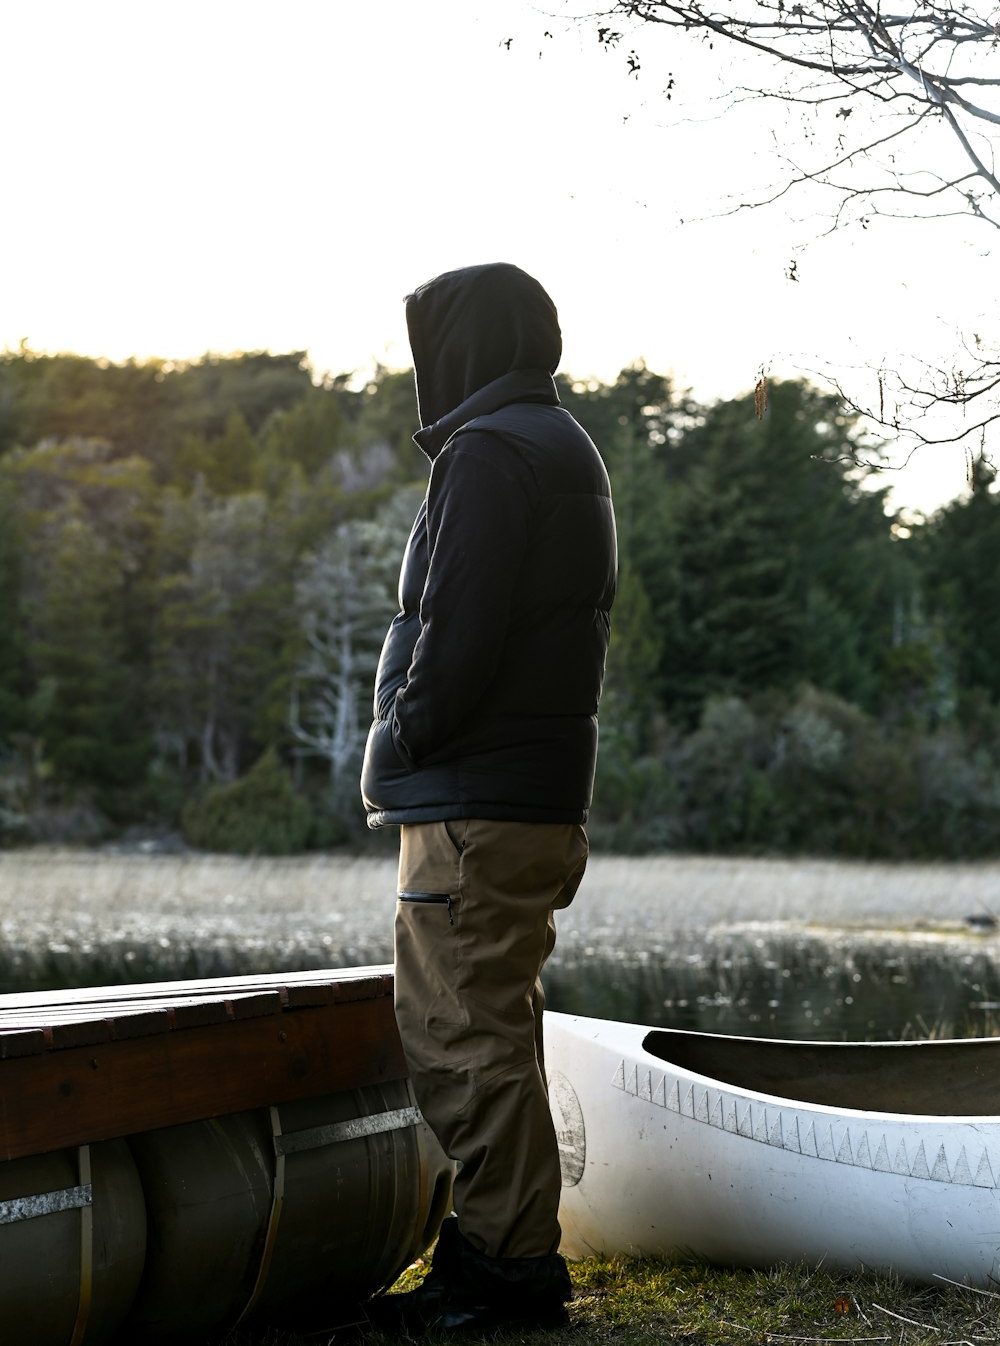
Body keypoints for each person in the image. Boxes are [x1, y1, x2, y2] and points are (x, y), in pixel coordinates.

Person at [360, 261, 617, 1334]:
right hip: (528, 795)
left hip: (476, 801)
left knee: (456, 1030)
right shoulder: (556, 441)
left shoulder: (488, 450)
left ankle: (502, 1273)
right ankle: (502, 1253)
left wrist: (407, 730)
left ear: (460, 345)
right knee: (493, 1027)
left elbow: (459, 629)